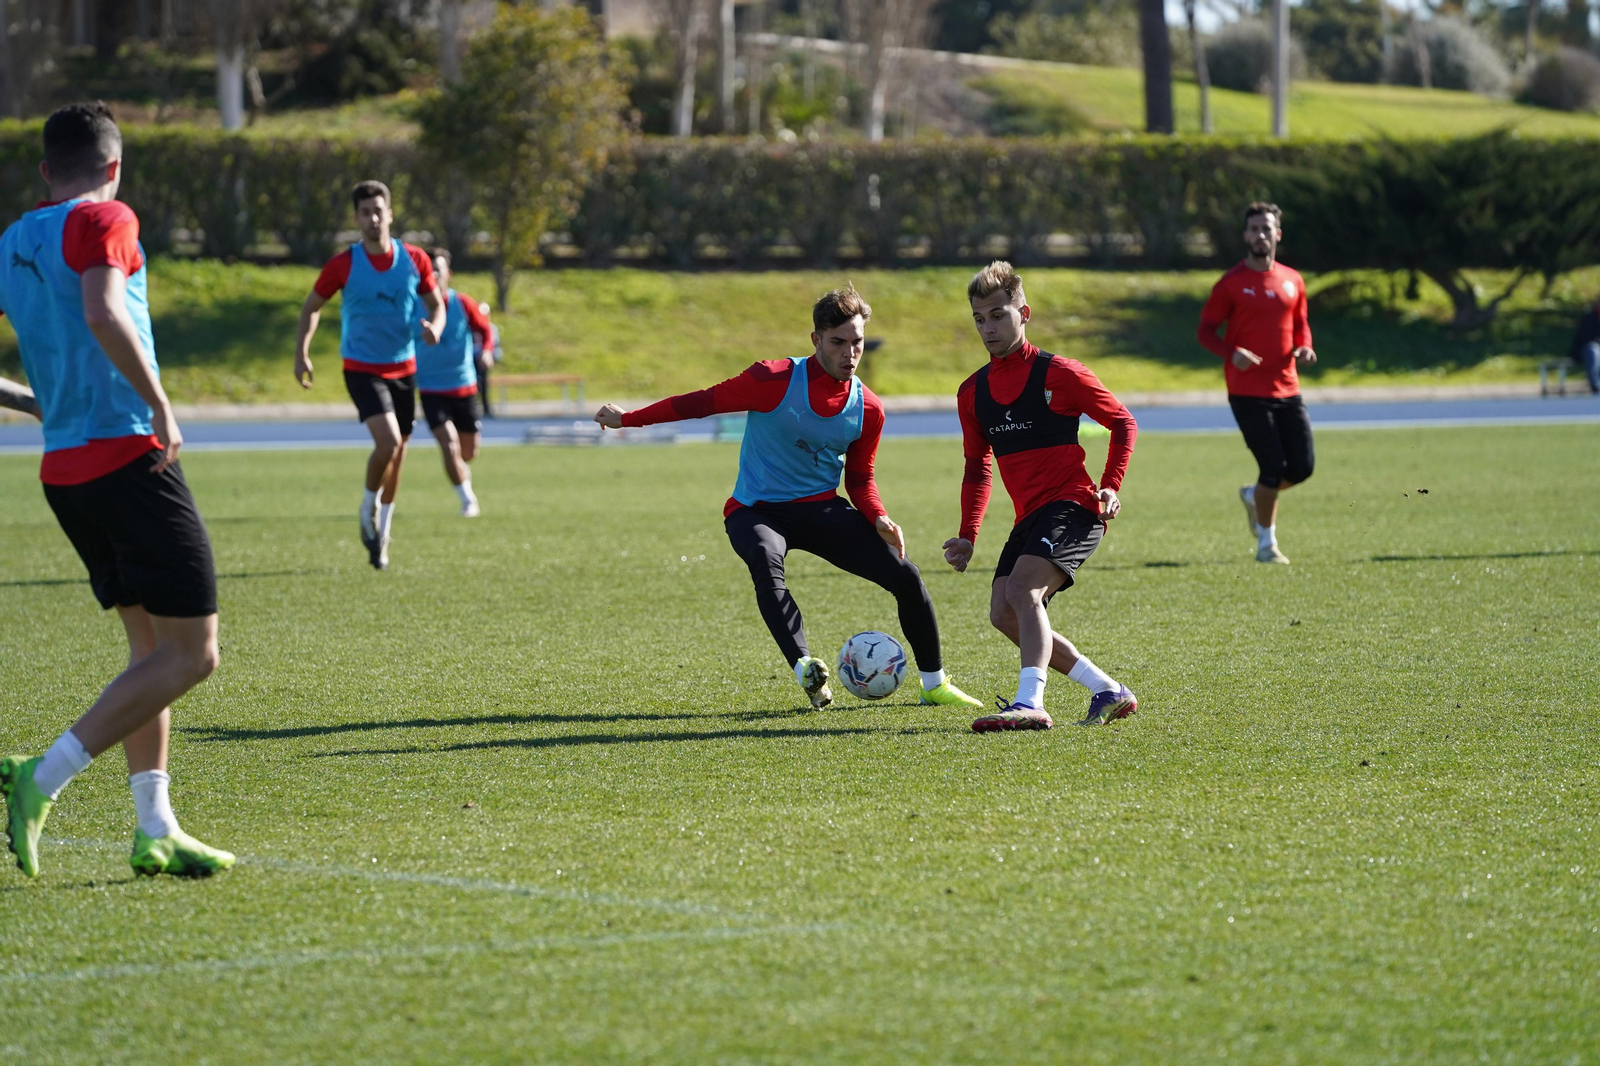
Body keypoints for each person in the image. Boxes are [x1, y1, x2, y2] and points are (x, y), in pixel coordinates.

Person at [0, 102, 232, 879]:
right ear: (114, 166)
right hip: (129, 457)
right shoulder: (108, 216)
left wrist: (33, 401)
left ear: (44, 169)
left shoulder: (12, 241)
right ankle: (42, 776)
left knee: (149, 652)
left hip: (64, 473)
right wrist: (161, 402)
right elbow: (102, 310)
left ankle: (154, 826)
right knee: (195, 657)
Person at [593, 285, 982, 713]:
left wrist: (879, 516)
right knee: (765, 557)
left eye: (856, 343)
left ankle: (934, 683)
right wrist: (629, 418)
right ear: (815, 340)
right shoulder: (771, 379)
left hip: (821, 509)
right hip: (756, 511)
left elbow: (860, 478)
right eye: (838, 342)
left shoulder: (867, 408)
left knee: (906, 577)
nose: (849, 353)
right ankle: (805, 669)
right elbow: (702, 403)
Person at [944, 261, 1139, 733]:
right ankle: (1107, 690)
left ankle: (1030, 702)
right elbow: (977, 466)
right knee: (1003, 612)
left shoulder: (1061, 373)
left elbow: (1123, 423)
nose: (988, 327)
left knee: (1022, 591)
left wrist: (1110, 484)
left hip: (1074, 505)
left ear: (1023, 312)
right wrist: (969, 535)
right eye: (979, 319)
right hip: (1028, 516)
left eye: (997, 315)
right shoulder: (972, 392)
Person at [293, 180, 446, 569]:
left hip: (404, 368)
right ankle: (367, 507)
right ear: (357, 218)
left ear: (390, 214)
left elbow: (435, 303)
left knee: (399, 455)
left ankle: (383, 536)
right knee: (388, 442)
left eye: (379, 210)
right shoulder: (344, 264)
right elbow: (311, 306)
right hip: (361, 367)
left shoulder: (415, 260)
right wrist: (302, 353)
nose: (373, 218)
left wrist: (437, 327)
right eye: (365, 212)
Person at [1196, 201, 1318, 565]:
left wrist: (1306, 347)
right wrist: (1230, 352)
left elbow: (1301, 325)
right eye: (1253, 229)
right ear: (1245, 235)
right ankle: (1267, 545)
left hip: (1288, 388)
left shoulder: (1293, 280)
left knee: (1302, 468)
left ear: (1277, 234)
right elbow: (1205, 331)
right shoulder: (1231, 283)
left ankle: (1255, 496)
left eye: (1266, 229)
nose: (1260, 235)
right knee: (1272, 467)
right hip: (1247, 392)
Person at [416, 248, 492, 516]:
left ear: (449, 273)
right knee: (449, 444)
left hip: (464, 386)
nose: (435, 274)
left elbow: (484, 329)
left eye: (439, 268)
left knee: (468, 453)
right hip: (430, 388)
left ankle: (461, 470)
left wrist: (486, 350)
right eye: (430, 269)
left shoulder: (463, 303)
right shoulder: (414, 305)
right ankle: (468, 500)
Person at [1565, 297, 1600, 394]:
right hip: (1588, 348)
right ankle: (1595, 386)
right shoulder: (1589, 317)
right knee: (1593, 350)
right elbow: (1584, 336)